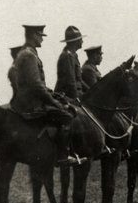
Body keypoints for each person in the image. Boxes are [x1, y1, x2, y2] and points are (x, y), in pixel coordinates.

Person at [10, 24, 78, 165]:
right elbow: (36, 85)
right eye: (41, 36)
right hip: (31, 104)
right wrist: (55, 103)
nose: (42, 39)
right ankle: (63, 156)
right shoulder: (29, 55)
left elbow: (37, 84)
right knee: (67, 116)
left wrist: (54, 94)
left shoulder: (26, 52)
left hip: (26, 100)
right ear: (34, 35)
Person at [54, 26, 85, 101]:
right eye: (80, 39)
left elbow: (79, 80)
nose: (82, 41)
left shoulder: (73, 55)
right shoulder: (67, 56)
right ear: (75, 41)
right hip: (67, 96)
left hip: (75, 93)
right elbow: (70, 81)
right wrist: (76, 98)